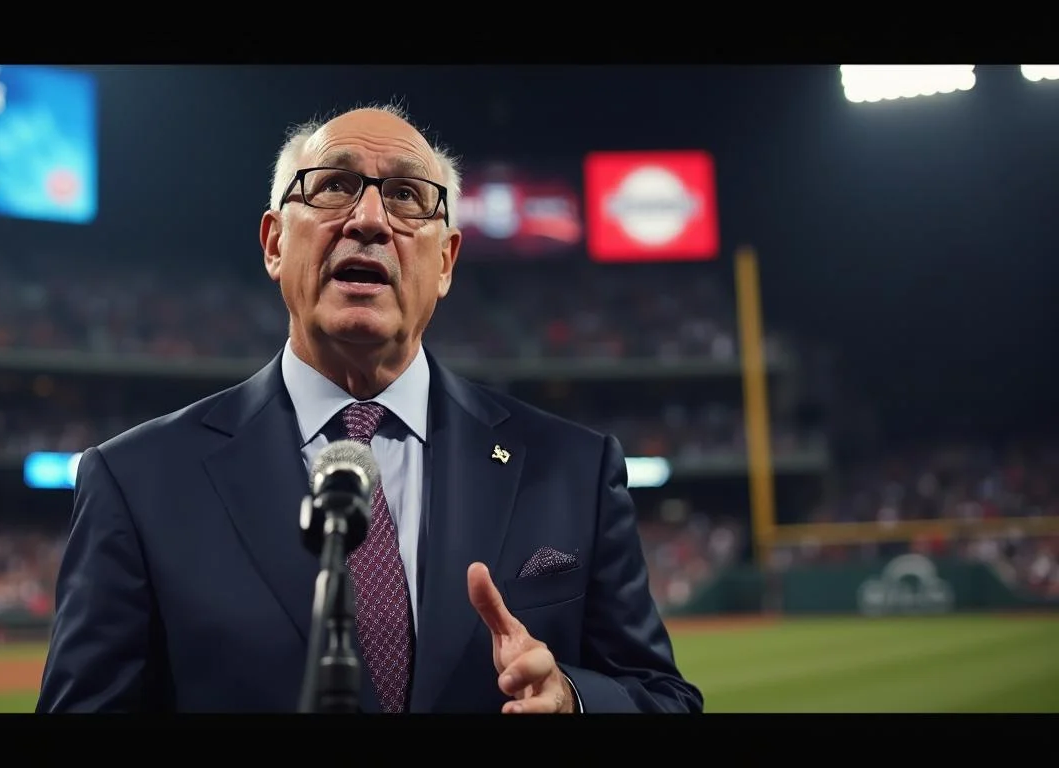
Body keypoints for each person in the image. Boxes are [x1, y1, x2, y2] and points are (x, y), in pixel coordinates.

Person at [37, 104, 702, 714]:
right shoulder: (136, 482)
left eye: (408, 196)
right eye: (334, 185)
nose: (370, 220)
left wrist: (573, 701)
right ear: (274, 243)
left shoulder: (573, 469)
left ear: (446, 261)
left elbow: (665, 699)